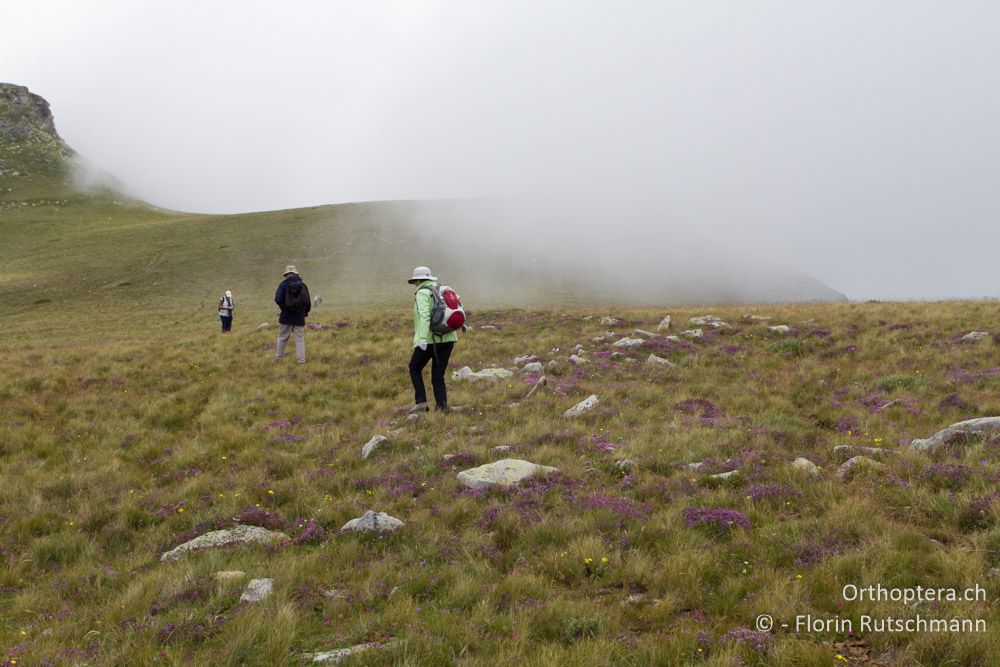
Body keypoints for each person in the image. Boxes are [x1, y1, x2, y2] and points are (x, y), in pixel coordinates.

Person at [407, 266, 458, 412]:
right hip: (449, 337)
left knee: (414, 367)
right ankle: (442, 407)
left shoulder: (422, 293)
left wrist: (421, 339)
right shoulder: (443, 290)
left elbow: (424, 316)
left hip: (430, 340)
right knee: (438, 375)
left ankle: (421, 402)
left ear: (417, 280)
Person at [274, 265, 311, 364]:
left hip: (285, 316)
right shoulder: (303, 285)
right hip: (299, 317)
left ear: (286, 274)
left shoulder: (283, 285)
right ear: (296, 273)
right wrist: (304, 313)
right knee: (299, 339)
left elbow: (277, 299)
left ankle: (279, 358)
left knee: (282, 337)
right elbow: (308, 302)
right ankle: (301, 361)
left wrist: (284, 308)